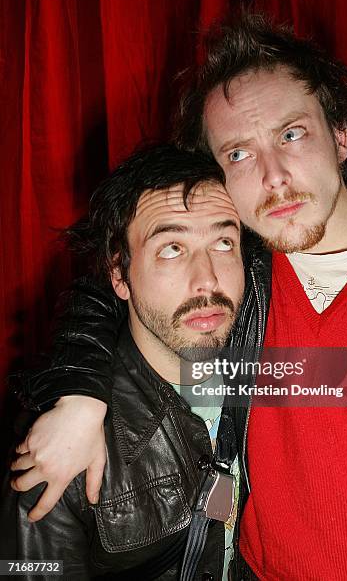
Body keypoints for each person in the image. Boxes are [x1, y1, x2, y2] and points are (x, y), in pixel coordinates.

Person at [10, 12, 347, 579]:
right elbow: (128, 294)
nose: (274, 176)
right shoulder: (243, 264)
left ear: (341, 133)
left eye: (291, 133)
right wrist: (79, 397)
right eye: (238, 154)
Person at [1, 144, 245, 579]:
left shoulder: (273, 365)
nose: (207, 278)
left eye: (224, 242)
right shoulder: (61, 453)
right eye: (172, 248)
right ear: (119, 275)